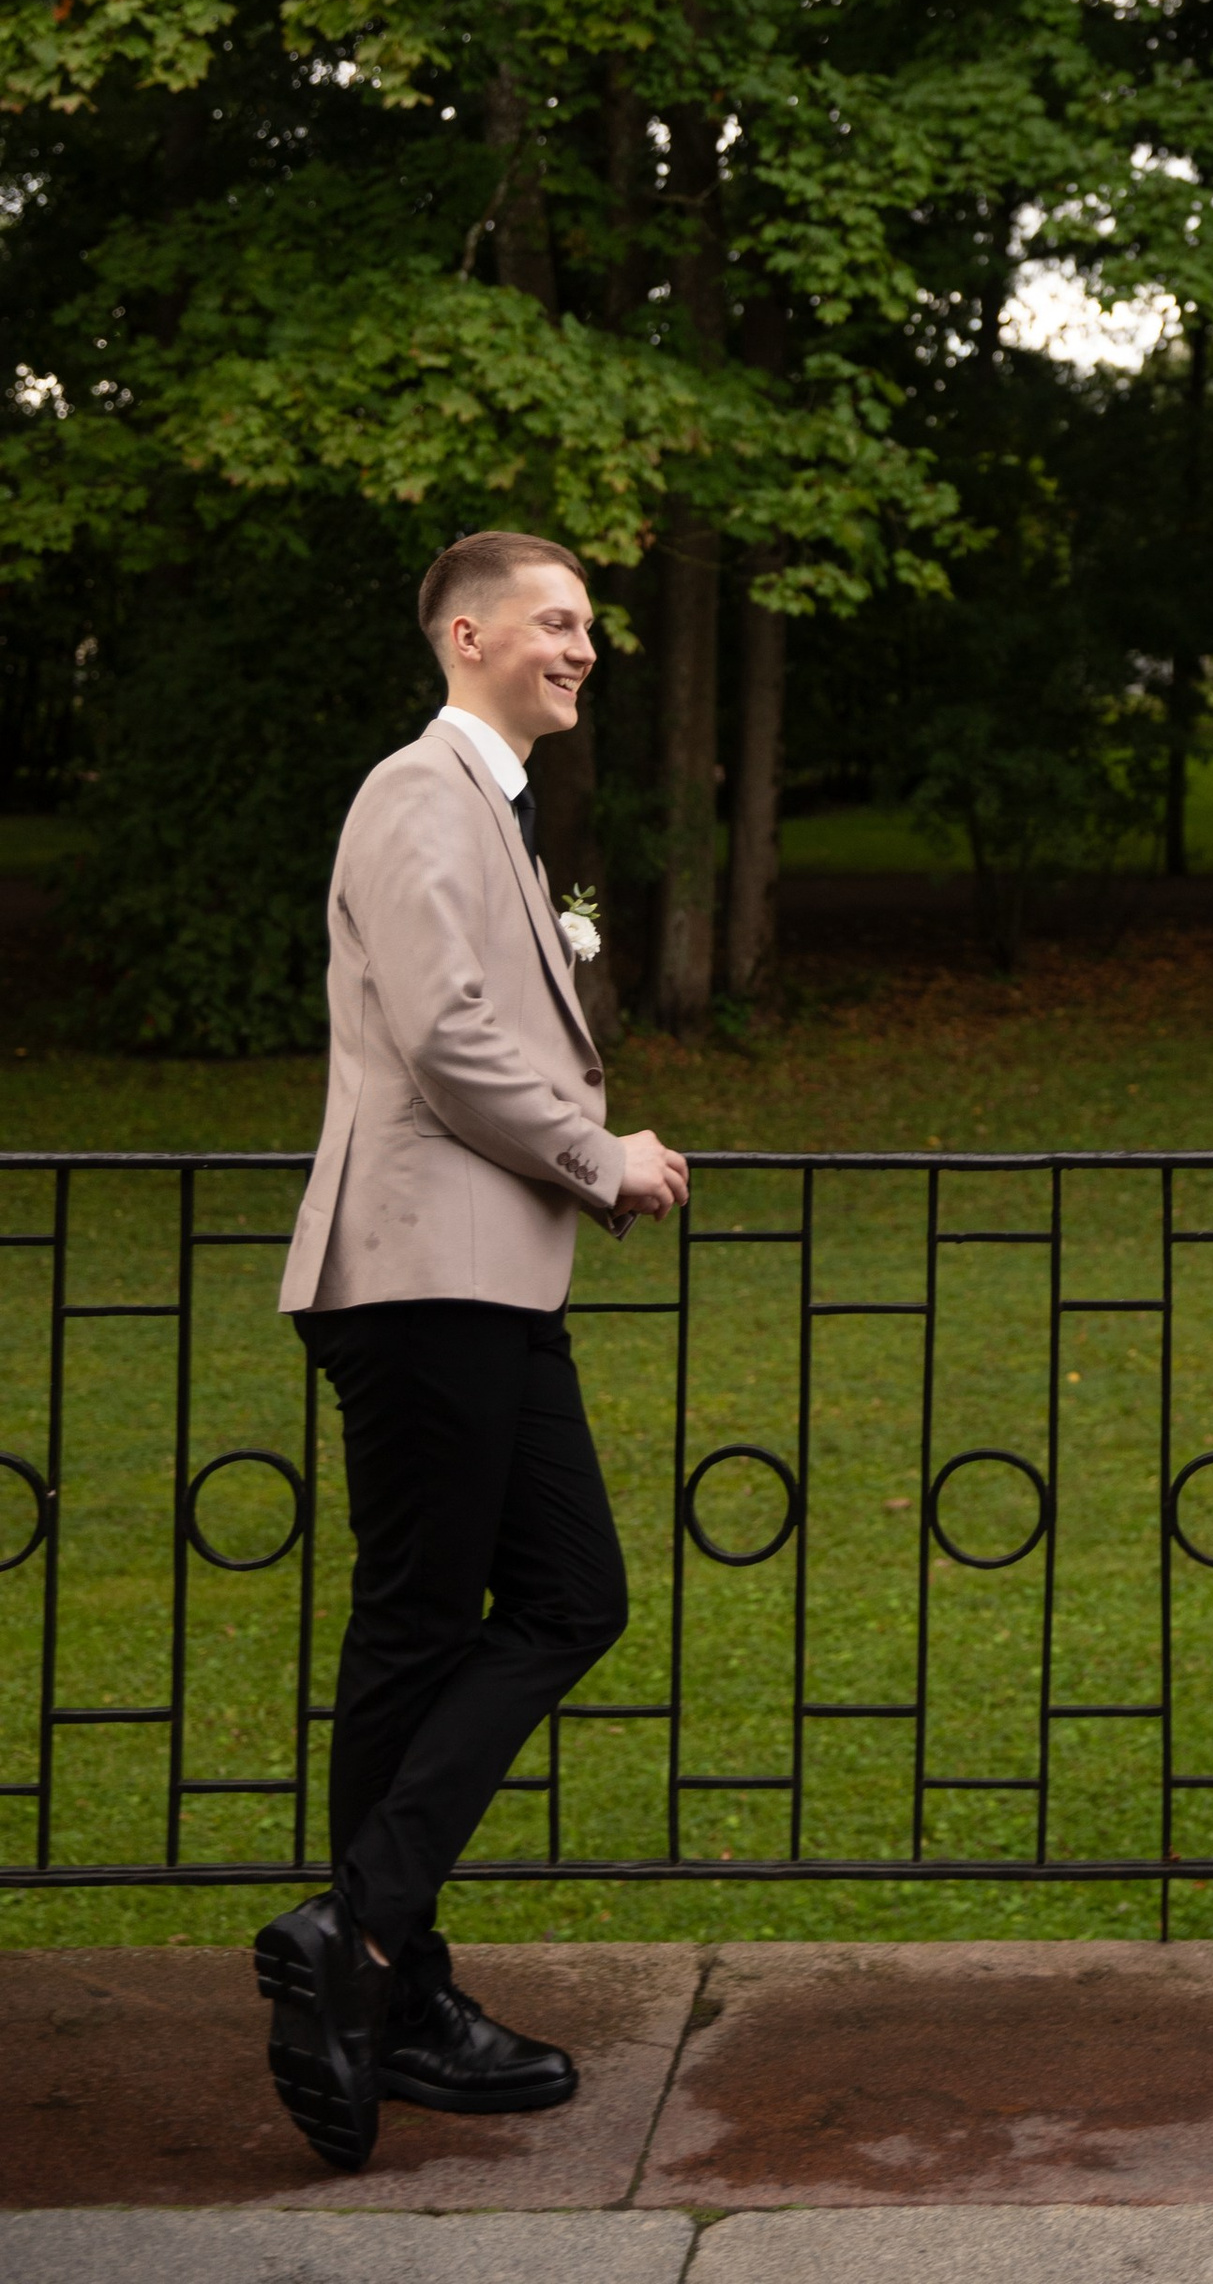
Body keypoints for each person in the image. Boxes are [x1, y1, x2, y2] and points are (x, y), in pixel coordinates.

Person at [261, 531, 690, 2173]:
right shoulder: (418, 795)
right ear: (468, 633)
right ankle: (370, 1954)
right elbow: (448, 1044)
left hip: (476, 1283)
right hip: (426, 1275)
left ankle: (372, 1968)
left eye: (589, 626)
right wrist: (603, 1156)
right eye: (556, 622)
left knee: (522, 1604)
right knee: (437, 1621)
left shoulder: (485, 804)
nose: (584, 648)